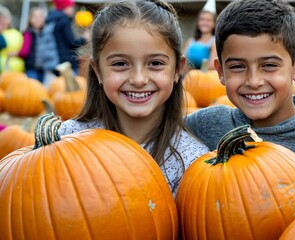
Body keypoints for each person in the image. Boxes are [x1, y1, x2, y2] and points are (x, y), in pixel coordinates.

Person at [184, 0, 295, 196]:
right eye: (237, 66)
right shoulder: (208, 124)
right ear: (220, 72)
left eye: (269, 65)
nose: (254, 81)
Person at [58, 0, 209, 196]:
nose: (139, 79)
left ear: (177, 70)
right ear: (98, 71)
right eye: (120, 64)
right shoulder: (67, 140)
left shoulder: (191, 161)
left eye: (155, 63)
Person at [41, 0, 89, 86]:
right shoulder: (64, 21)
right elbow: (72, 43)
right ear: (64, 8)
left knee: (60, 89)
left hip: (55, 61)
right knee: (72, 90)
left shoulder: (52, 20)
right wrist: (85, 38)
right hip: (67, 63)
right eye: (71, 7)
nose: (73, 10)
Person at [10, 7, 46, 82]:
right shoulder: (28, 33)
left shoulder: (46, 33)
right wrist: (15, 53)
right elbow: (24, 51)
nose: (37, 19)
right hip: (31, 67)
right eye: (34, 16)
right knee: (32, 89)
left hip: (43, 68)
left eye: (40, 16)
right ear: (30, 19)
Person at [183, 1, 217, 70]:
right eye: (202, 19)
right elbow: (183, 63)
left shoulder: (214, 42)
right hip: (188, 78)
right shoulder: (190, 42)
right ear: (198, 22)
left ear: (214, 24)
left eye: (208, 20)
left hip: (205, 78)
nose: (204, 22)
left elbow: (212, 66)